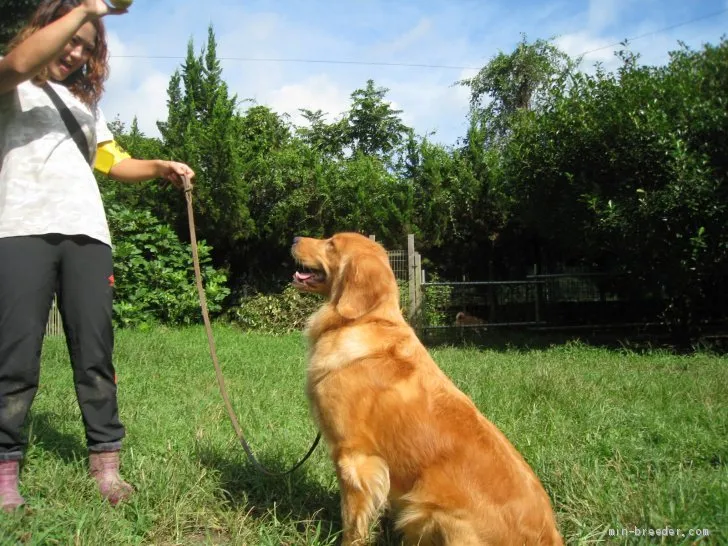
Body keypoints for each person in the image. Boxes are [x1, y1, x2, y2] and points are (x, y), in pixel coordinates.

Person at [0, 0, 195, 511]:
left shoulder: (86, 104)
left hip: (88, 235)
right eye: (71, 41)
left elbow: (111, 161)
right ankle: (5, 474)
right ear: (46, 28)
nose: (77, 53)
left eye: (88, 47)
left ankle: (106, 464)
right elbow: (20, 63)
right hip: (20, 228)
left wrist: (159, 167)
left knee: (96, 355)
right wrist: (88, 7)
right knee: (16, 355)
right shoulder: (11, 80)